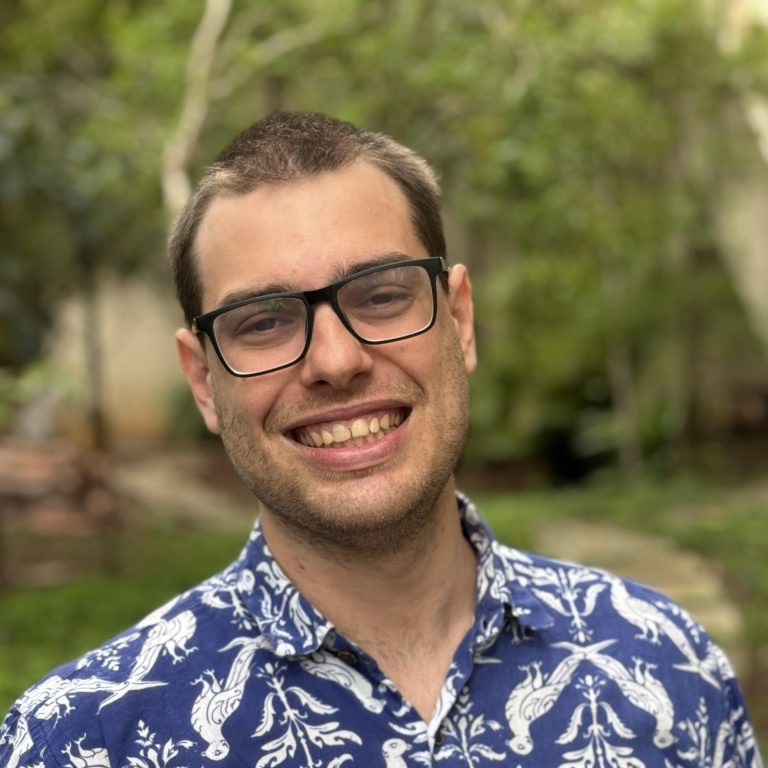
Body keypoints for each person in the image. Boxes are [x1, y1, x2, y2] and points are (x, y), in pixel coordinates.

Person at [0, 111, 762, 768]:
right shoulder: (82, 740)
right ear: (204, 380)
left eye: (382, 295)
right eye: (264, 321)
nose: (336, 362)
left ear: (459, 321)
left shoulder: (664, 666)